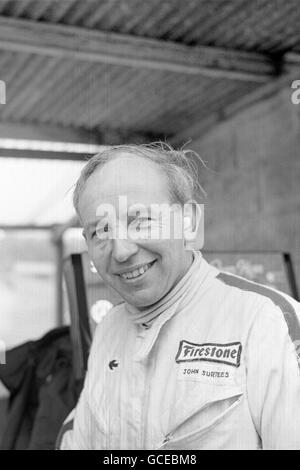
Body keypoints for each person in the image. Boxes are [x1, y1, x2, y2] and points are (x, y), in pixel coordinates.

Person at [59, 143, 300, 450]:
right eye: (101, 231)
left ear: (188, 221)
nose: (121, 251)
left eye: (141, 220)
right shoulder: (109, 329)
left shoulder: (268, 322)